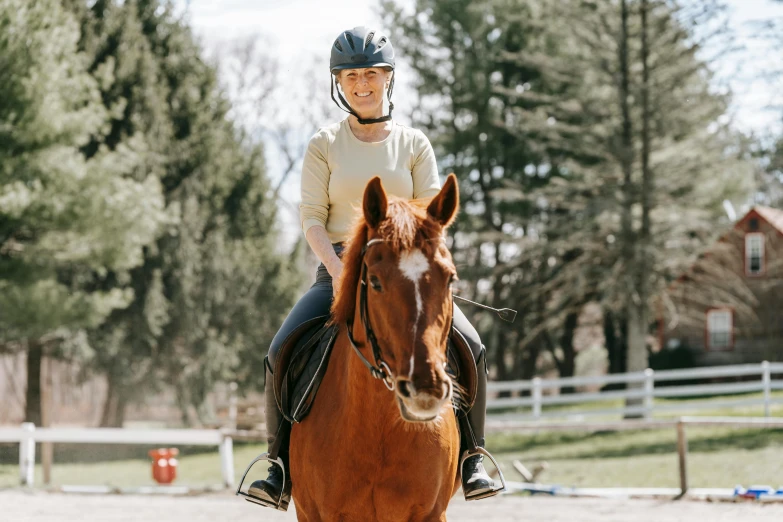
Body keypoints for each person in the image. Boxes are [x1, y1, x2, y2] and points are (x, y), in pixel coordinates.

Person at [248, 26, 501, 509]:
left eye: (370, 73)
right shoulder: (324, 143)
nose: (361, 83)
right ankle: (277, 466)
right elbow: (311, 218)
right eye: (350, 76)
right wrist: (341, 270)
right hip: (338, 270)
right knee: (280, 349)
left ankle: (472, 457)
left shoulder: (413, 143)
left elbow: (431, 215)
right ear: (337, 84)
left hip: (405, 272)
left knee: (471, 344)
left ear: (388, 79)